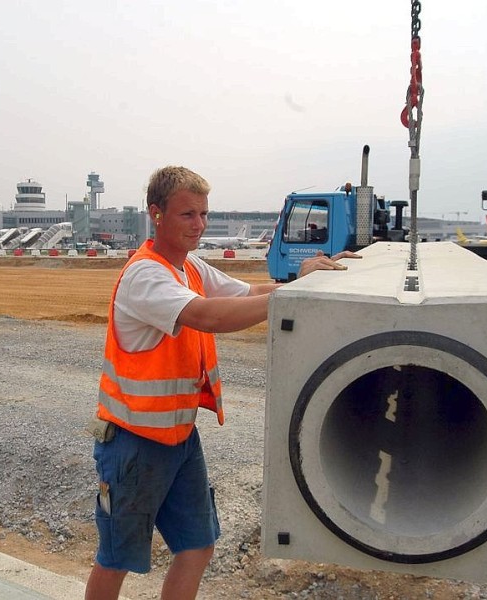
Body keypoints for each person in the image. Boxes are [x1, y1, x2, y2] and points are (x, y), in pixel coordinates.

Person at [85, 166, 359, 600]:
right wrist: (289, 298)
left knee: (197, 544)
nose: (199, 225)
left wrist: (302, 280)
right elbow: (208, 315)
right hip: (133, 444)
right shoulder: (146, 276)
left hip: (179, 438)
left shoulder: (189, 266)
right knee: (117, 557)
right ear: (156, 214)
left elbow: (244, 293)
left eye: (204, 214)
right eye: (187, 215)